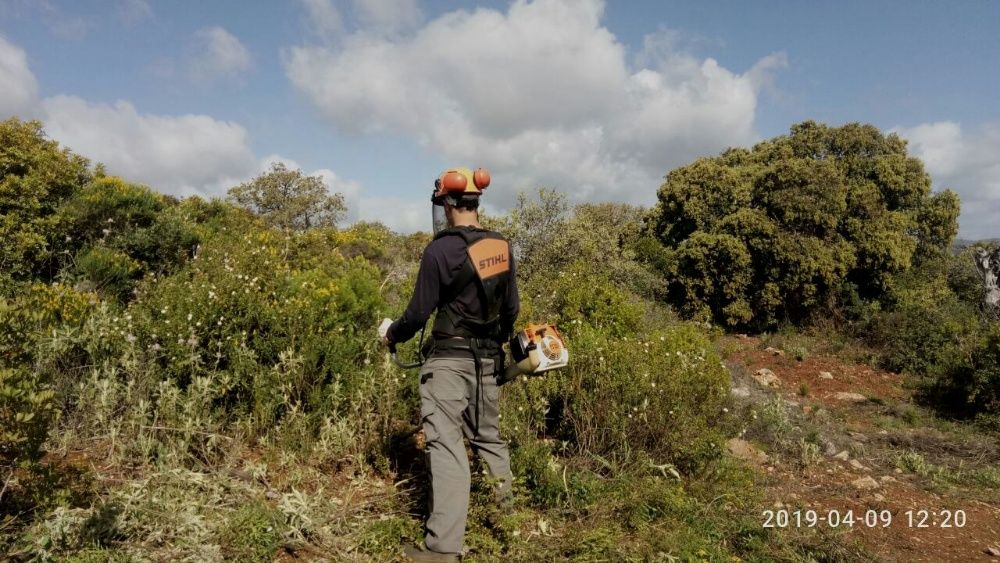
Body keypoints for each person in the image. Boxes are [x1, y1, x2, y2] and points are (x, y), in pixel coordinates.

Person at [383, 167, 519, 562]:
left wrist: (392, 334)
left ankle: (442, 550)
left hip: (447, 364)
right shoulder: (501, 246)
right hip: (487, 362)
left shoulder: (439, 250)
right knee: (488, 439)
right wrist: (497, 350)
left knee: (446, 447)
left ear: (446, 203)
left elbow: (417, 314)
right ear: (476, 203)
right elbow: (510, 311)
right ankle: (507, 525)